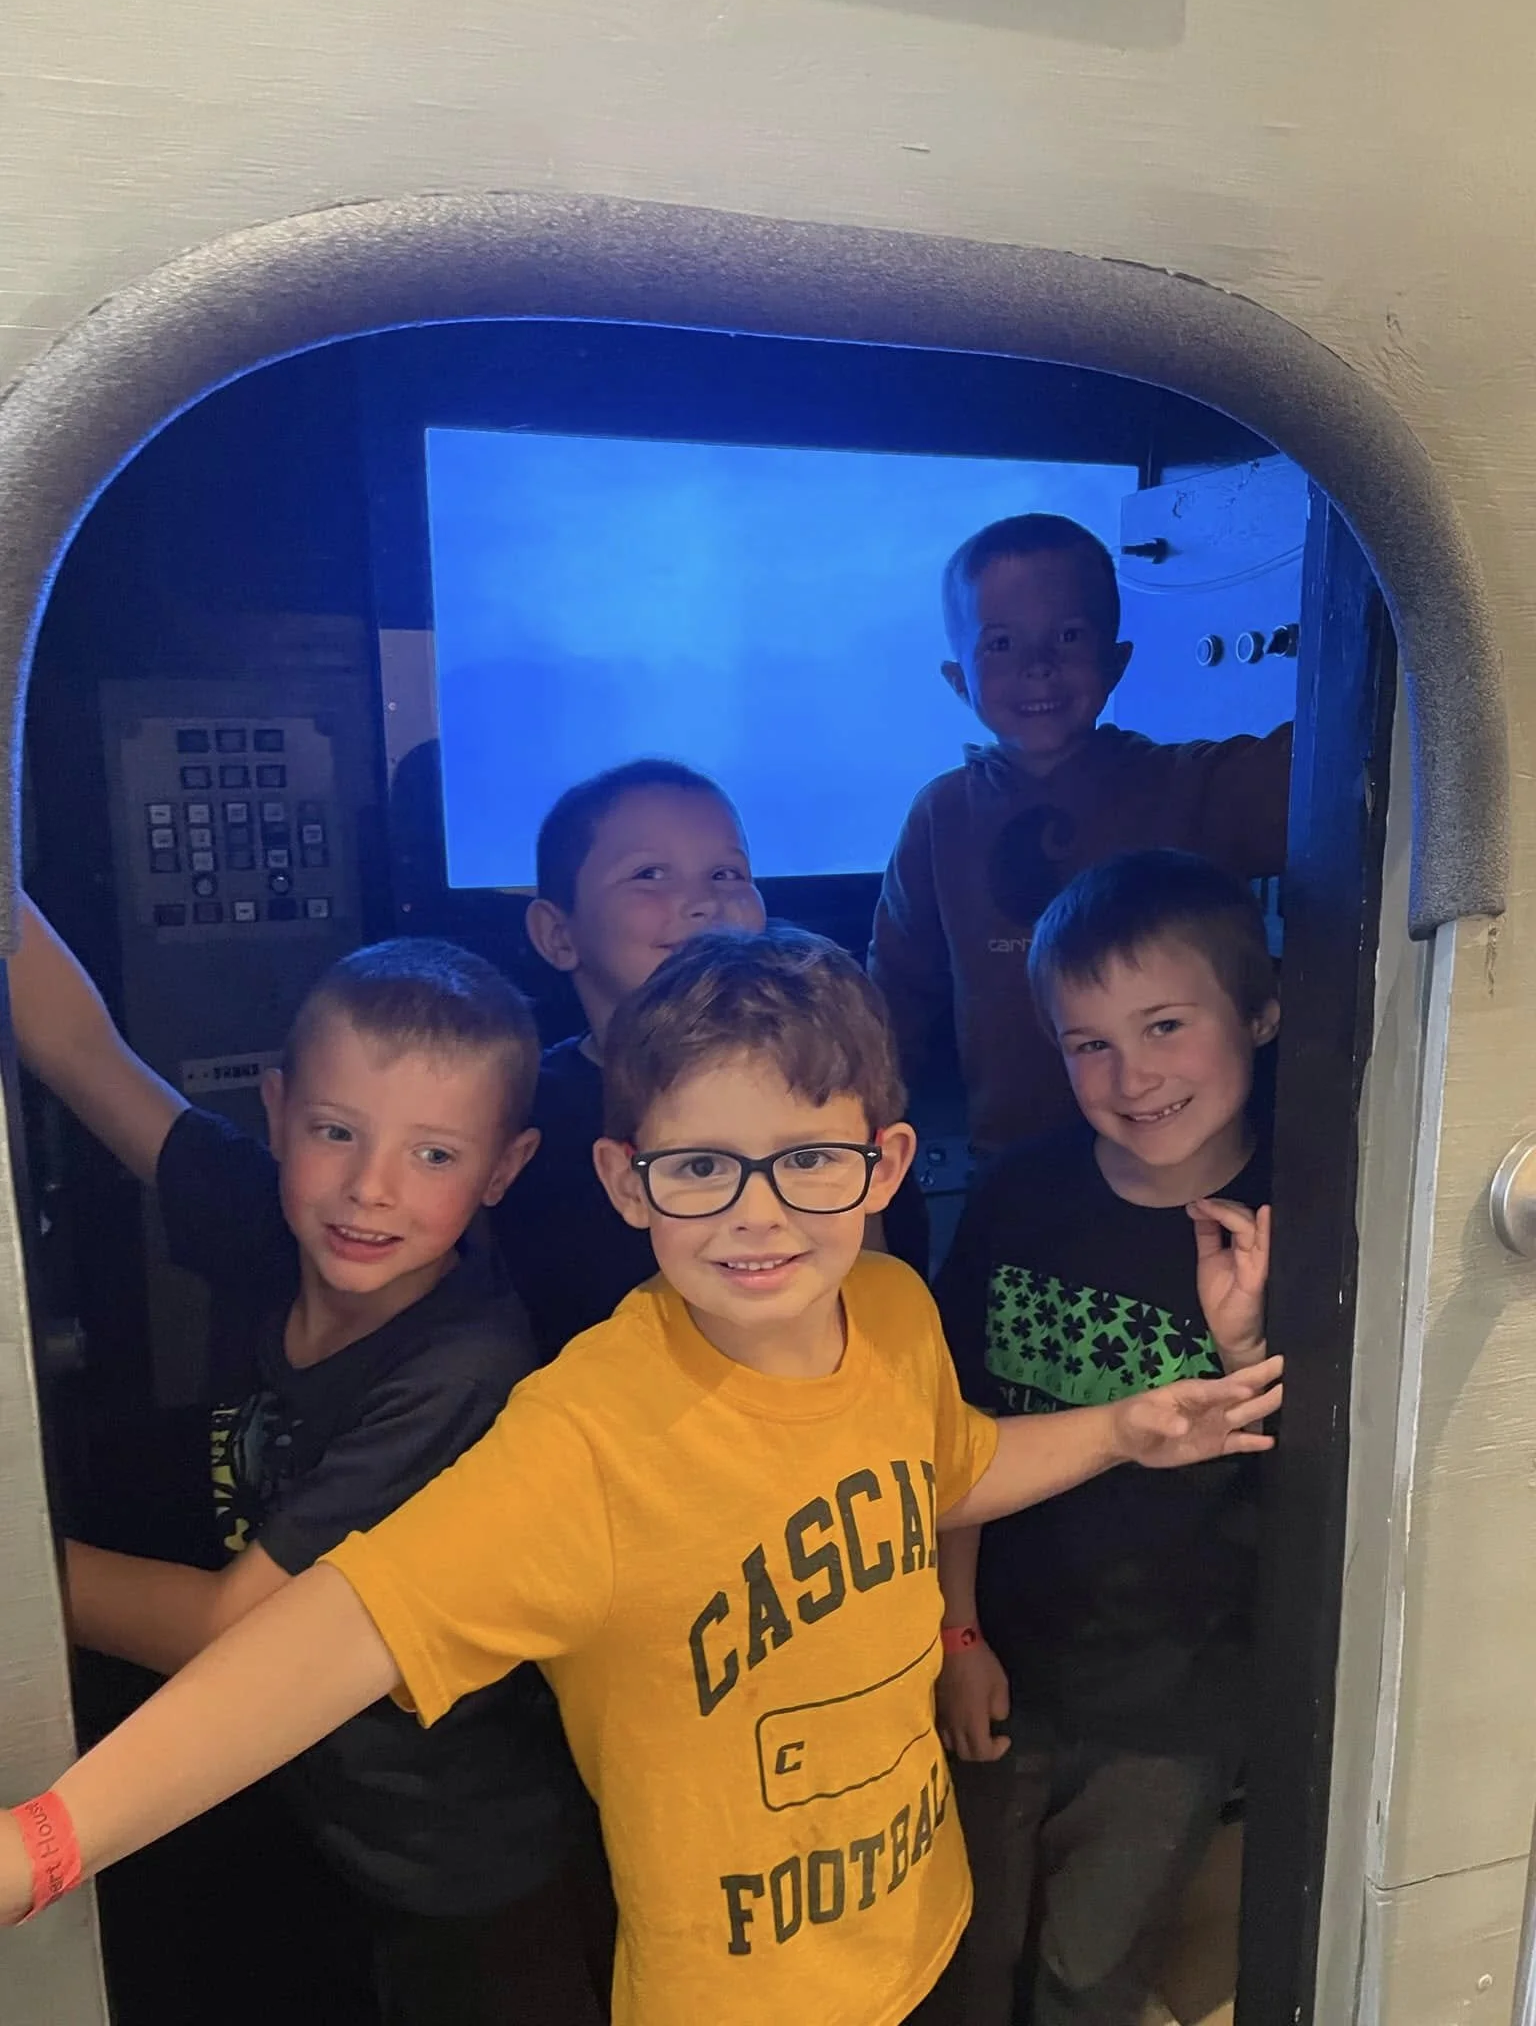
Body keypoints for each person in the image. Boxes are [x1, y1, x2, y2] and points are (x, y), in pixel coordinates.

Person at [1, 923, 1283, 2026]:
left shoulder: (892, 1307)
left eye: (809, 1158)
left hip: (919, 1917)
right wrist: (46, 1843)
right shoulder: (583, 1437)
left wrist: (1121, 1430)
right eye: (702, 1166)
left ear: (887, 1165)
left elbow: (948, 1466)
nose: (758, 1211)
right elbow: (325, 1638)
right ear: (627, 1182)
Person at [7, 898, 610, 2025]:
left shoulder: (461, 1369)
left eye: (434, 1154)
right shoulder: (272, 1218)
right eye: (338, 1131)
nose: (371, 1187)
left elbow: (231, 1629)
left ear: (504, 1167)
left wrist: (21, 1571)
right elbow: (80, 1049)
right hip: (315, 1805)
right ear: (279, 1112)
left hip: (462, 1857)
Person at [932, 850, 1279, 2025]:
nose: (1132, 1076)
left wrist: (1243, 1346)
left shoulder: (1320, 1202)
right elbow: (955, 1440)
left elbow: (1334, 1483)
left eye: (1167, 1024)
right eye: (1089, 1042)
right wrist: (957, 1628)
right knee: (968, 1948)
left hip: (1179, 1705)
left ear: (1262, 1011)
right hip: (1007, 1655)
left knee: (1090, 1970)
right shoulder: (1019, 1196)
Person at [868, 512, 1291, 1158]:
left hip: (1185, 1152)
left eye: (1067, 636)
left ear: (1116, 661)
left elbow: (1328, 762)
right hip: (1014, 1163)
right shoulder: (940, 816)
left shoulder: (1189, 785)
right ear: (958, 681)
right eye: (1001, 644)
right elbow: (895, 997)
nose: (1038, 667)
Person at [497, 758, 926, 1353]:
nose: (703, 902)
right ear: (557, 934)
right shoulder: (520, 1109)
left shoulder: (832, 1078)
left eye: (726, 873)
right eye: (649, 874)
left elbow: (874, 1303)